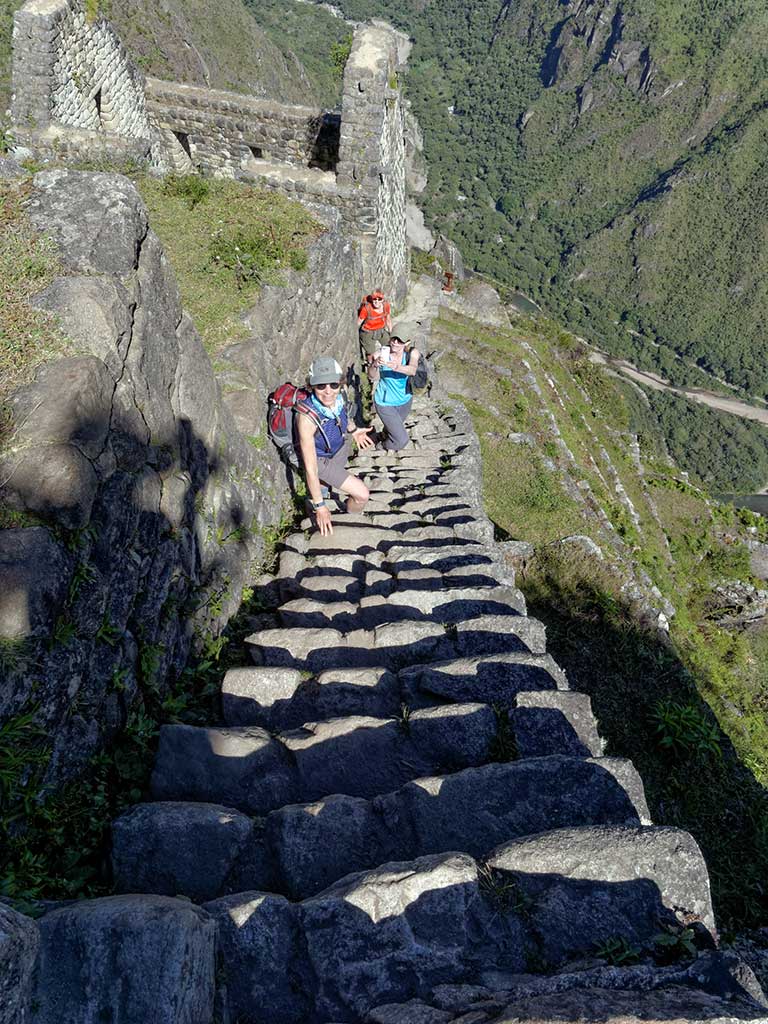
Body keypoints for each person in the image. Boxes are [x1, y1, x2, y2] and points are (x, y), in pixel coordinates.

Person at [296, 356, 374, 536]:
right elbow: (311, 468)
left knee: (325, 484)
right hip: (321, 458)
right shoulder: (307, 417)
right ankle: (350, 519)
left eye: (333, 384)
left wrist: (354, 431)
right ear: (311, 386)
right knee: (362, 494)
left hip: (338, 447)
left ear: (340, 383)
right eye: (320, 386)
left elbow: (343, 413)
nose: (328, 391)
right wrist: (321, 507)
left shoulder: (341, 395)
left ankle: (318, 495)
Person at [371, 324, 421, 451]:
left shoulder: (412, 353)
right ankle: (382, 446)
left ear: (407, 342)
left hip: (405, 400)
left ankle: (382, 435)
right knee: (401, 440)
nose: (395, 343)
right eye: (393, 339)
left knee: (392, 427)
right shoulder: (380, 354)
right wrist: (375, 364)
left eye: (400, 341)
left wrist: (396, 367)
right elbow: (371, 376)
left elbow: (413, 370)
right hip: (384, 402)